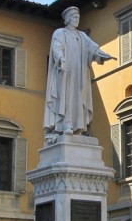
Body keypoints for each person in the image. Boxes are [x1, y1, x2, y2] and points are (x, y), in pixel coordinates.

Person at [44, 7, 114, 138]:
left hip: (80, 74)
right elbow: (56, 47)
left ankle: (78, 126)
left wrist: (103, 55)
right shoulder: (60, 33)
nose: (77, 20)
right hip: (65, 72)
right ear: (68, 19)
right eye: (75, 17)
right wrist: (61, 58)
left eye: (78, 18)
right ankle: (66, 124)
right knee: (66, 97)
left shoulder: (82, 36)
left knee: (79, 98)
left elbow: (93, 48)